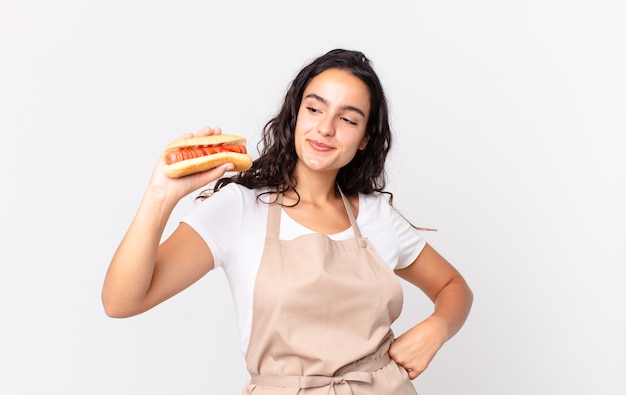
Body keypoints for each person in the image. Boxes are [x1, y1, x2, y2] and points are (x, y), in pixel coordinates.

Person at [102, 48, 473, 394]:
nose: (326, 128)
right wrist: (160, 195)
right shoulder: (240, 208)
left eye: (347, 119)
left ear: (365, 138)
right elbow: (122, 302)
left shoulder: (377, 215)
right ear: (295, 114)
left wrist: (437, 328)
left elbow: (454, 286)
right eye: (315, 109)